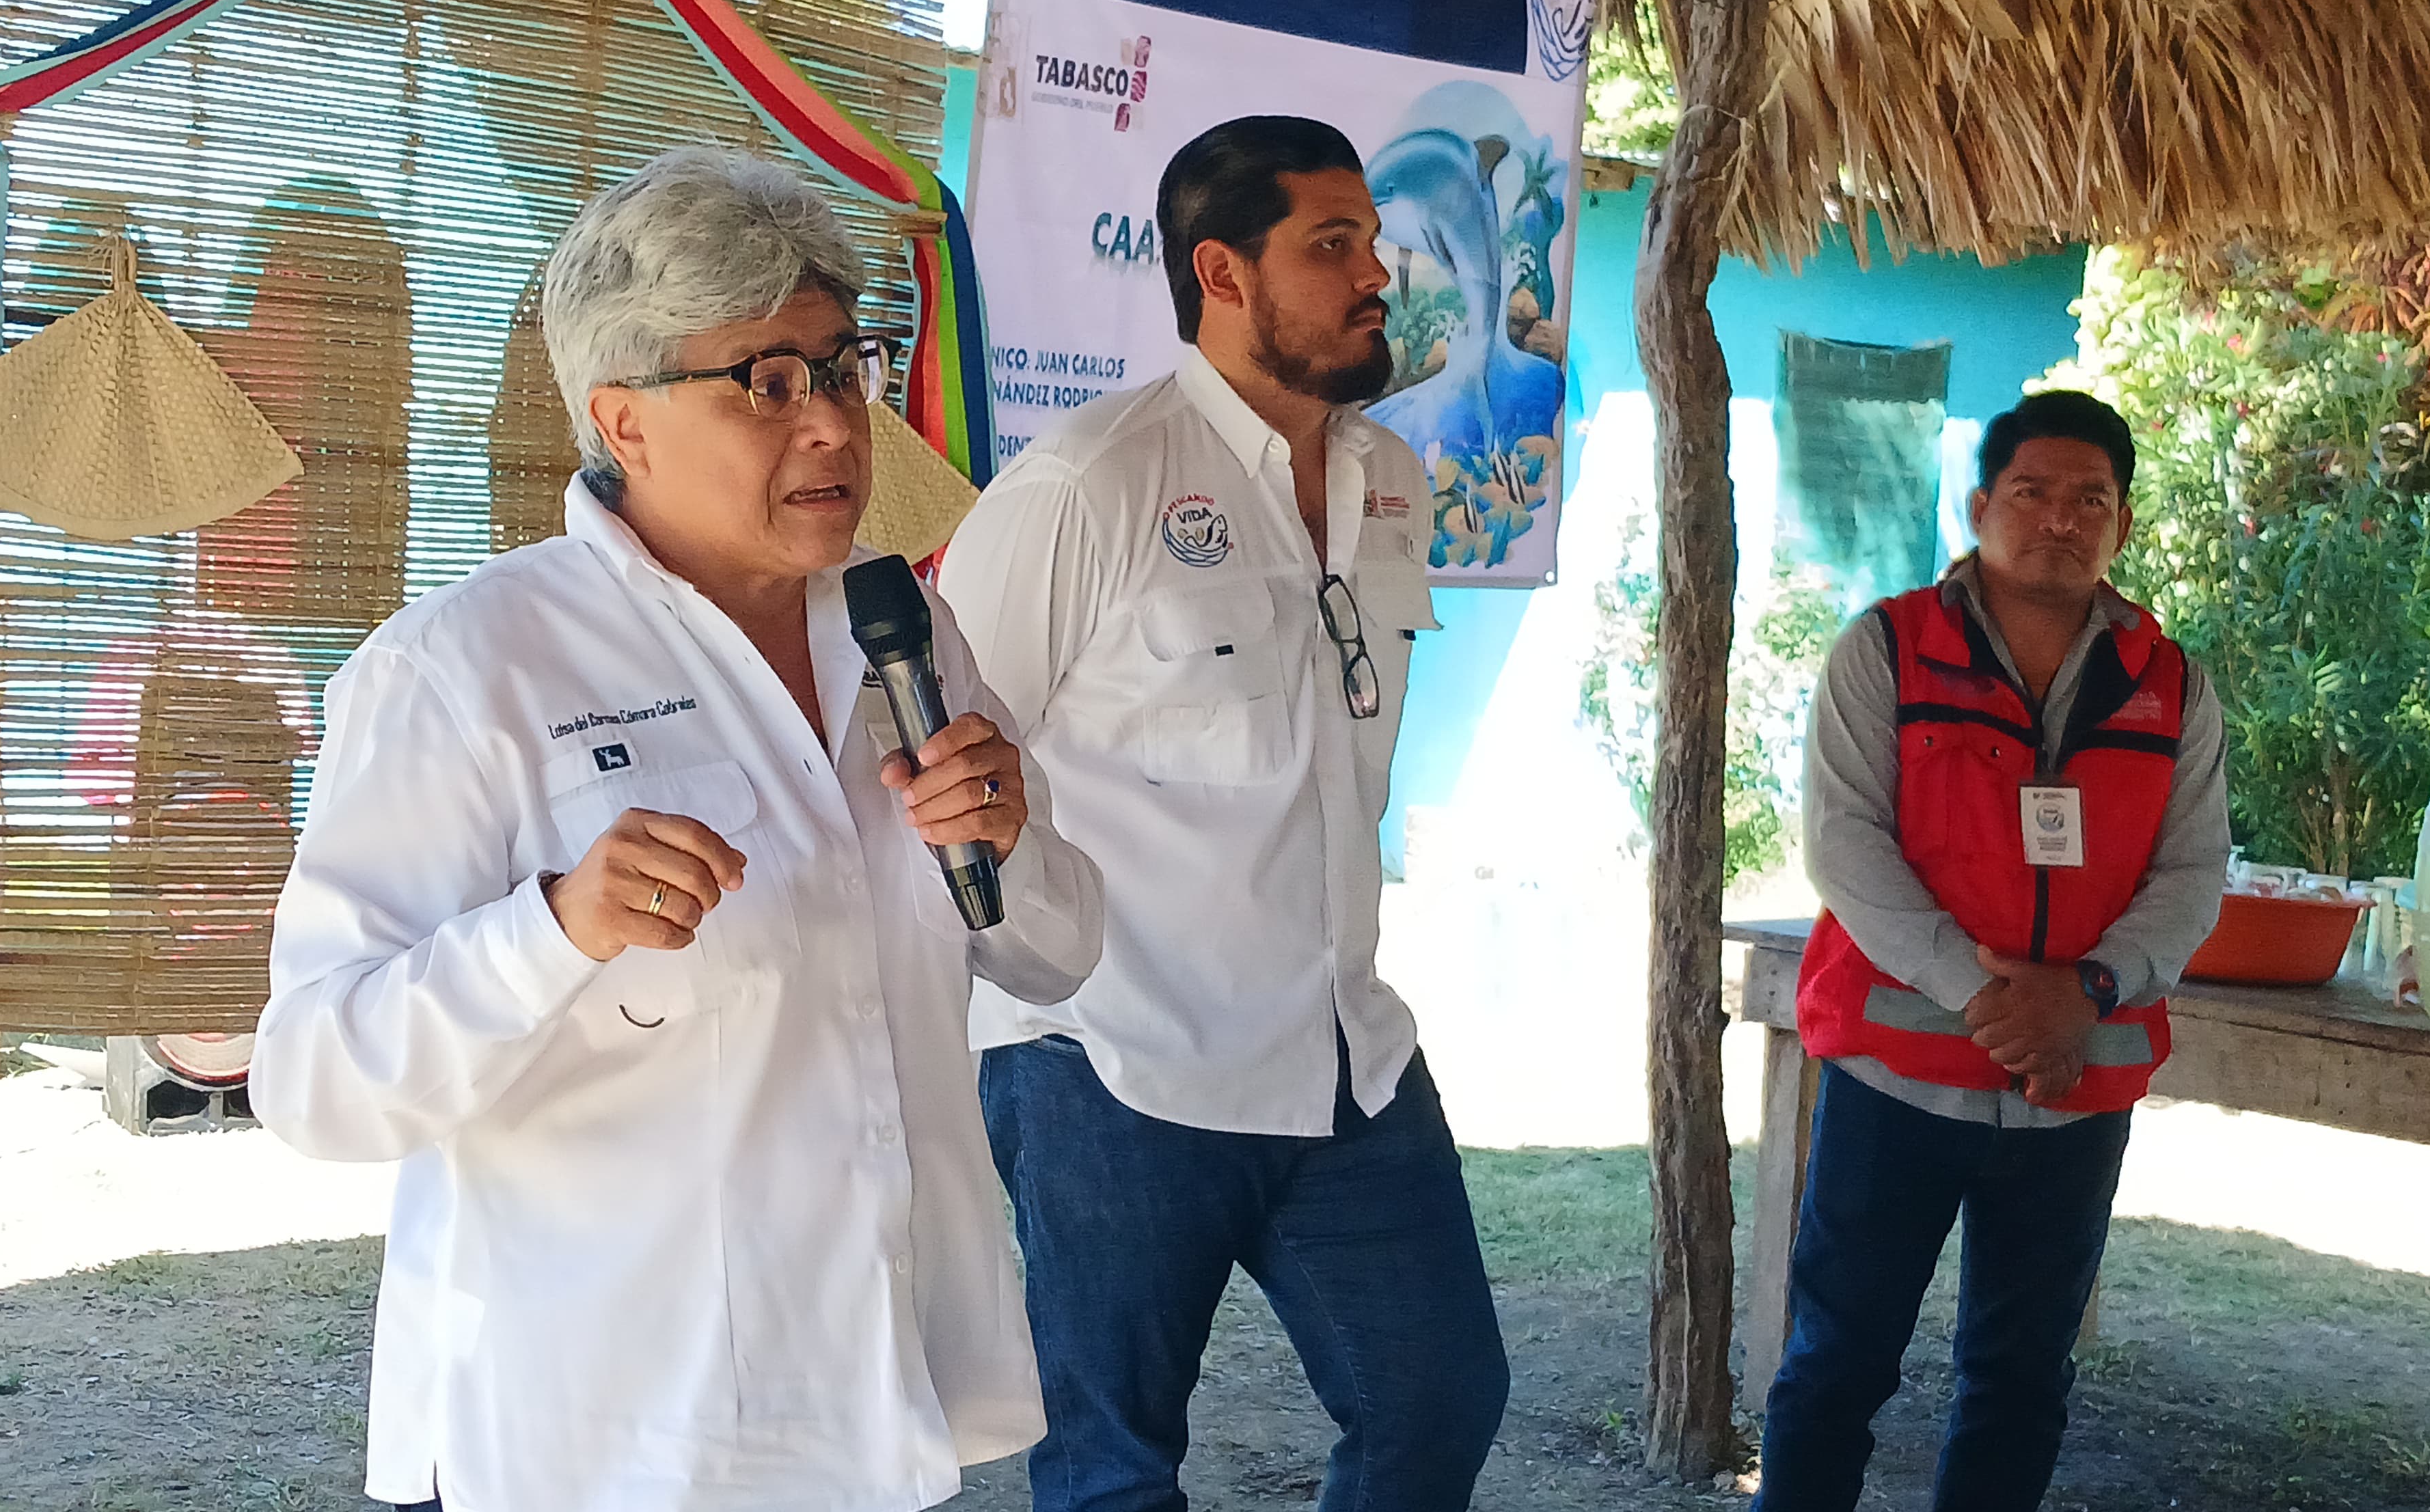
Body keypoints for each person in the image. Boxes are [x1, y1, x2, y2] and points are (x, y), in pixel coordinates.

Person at [251, 147, 1104, 1512]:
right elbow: (314, 1081)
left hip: (872, 1394)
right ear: (622, 421)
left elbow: (1050, 956)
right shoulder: (466, 672)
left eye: (843, 367)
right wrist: (552, 931)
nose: (831, 423)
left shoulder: (904, 630)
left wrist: (1012, 840)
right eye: (768, 382)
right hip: (606, 1432)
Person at [936, 115, 1510, 1512]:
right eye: (1333, 244)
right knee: (1115, 1468)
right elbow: (955, 767)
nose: (1378, 271)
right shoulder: (1090, 484)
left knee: (1438, 1397)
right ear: (1223, 271)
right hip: (1113, 1058)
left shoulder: (1390, 481)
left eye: (1372, 239)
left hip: (1343, 1052)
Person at [1754, 390, 2230, 1511]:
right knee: (1837, 1364)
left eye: (2090, 501)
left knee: (2020, 1380)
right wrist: (1994, 998)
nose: (2058, 519)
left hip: (2077, 1086)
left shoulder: (2173, 687)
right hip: (1898, 1075)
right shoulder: (1888, 649)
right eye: (2031, 492)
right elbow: (1845, 846)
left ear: (2120, 526)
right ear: (1979, 506)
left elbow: (2192, 872)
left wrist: (2092, 994)